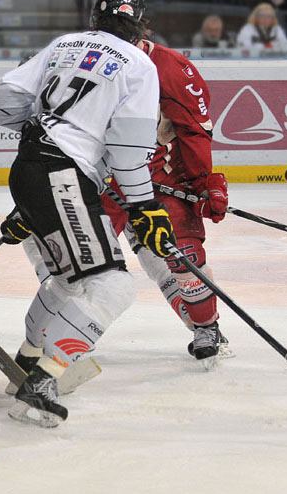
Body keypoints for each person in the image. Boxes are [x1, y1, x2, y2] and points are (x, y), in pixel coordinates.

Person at [0, 0, 166, 427]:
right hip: (63, 174)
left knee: (68, 280)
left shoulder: (65, 43)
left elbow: (1, 100)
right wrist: (146, 209)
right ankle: (43, 380)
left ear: (96, 16)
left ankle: (28, 360)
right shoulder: (141, 64)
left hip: (27, 165)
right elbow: (127, 153)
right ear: (139, 23)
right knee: (111, 287)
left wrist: (49, 125)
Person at [99, 39, 231, 366]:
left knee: (183, 256)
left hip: (164, 178)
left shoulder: (170, 66)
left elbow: (193, 129)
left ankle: (205, 326)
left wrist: (203, 180)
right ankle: (65, 334)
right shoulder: (89, 61)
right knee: (86, 256)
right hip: (106, 177)